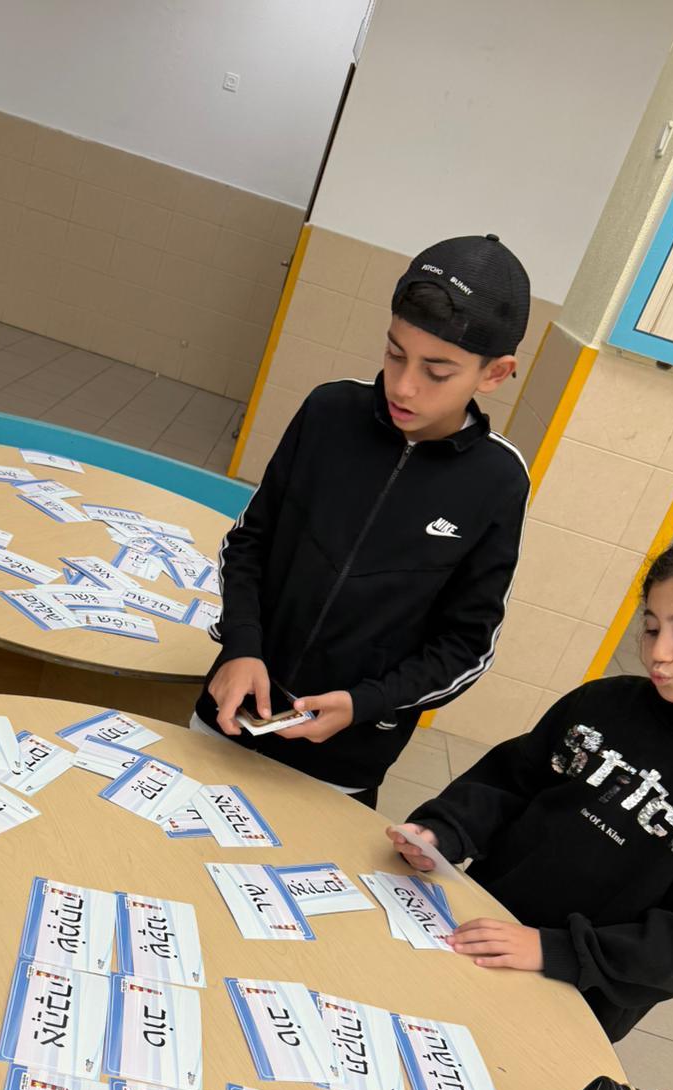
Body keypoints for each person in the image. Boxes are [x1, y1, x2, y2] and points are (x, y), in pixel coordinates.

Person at [389, 520, 673, 1041]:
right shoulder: (605, 702)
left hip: (574, 997)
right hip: (472, 927)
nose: (659, 652)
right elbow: (510, 781)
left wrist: (554, 950)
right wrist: (443, 833)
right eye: (651, 627)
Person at [194, 233, 532, 805]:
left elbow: (465, 646)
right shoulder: (328, 412)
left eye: (437, 372)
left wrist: (365, 704)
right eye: (395, 353)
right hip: (230, 713)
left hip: (344, 761)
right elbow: (249, 543)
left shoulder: (498, 481)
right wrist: (241, 645)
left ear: (494, 374)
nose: (404, 385)